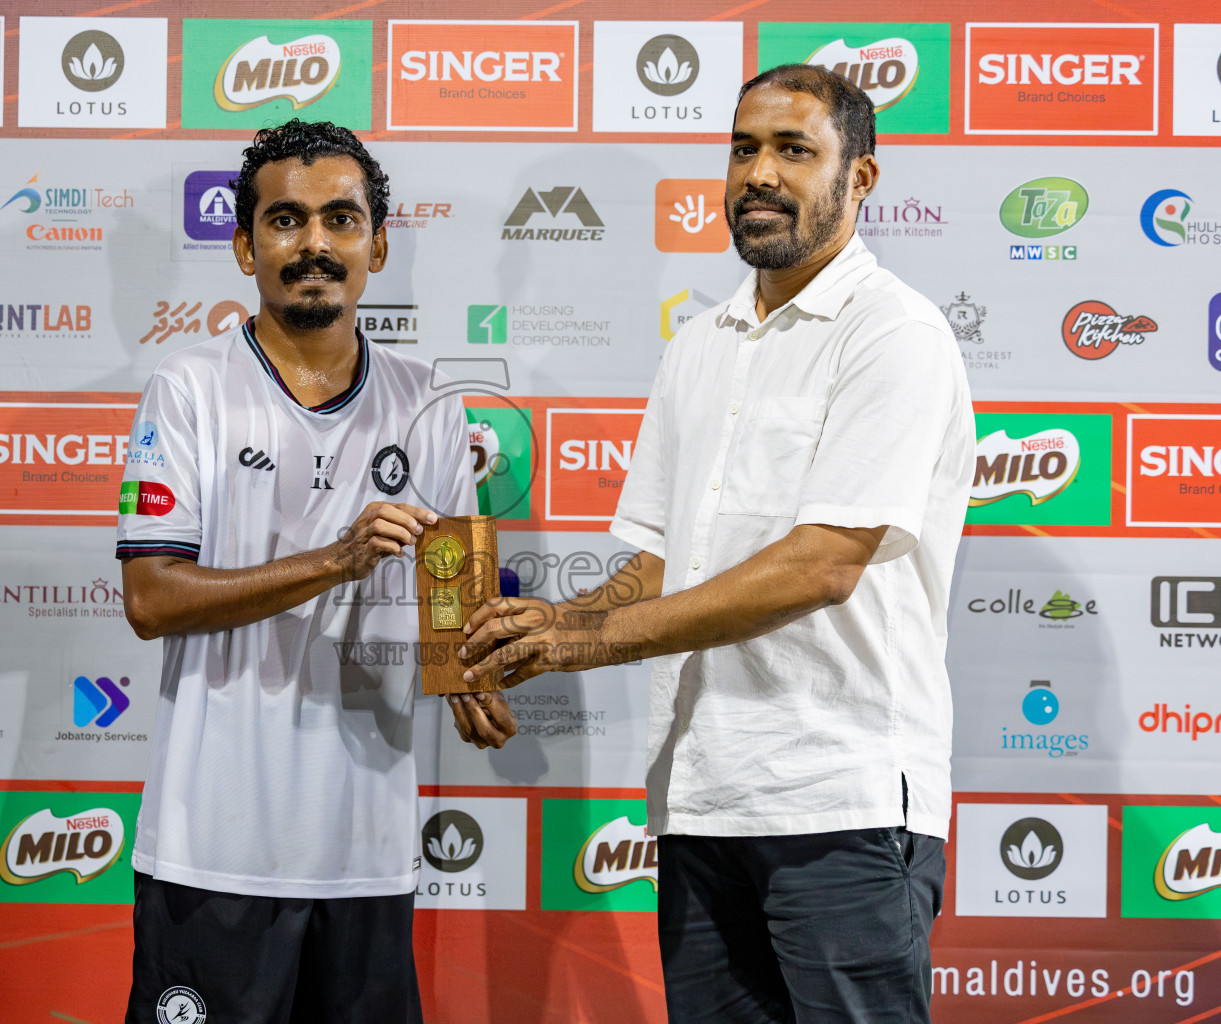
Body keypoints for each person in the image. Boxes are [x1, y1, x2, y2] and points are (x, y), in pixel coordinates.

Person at [454, 65, 975, 1023]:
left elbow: (825, 562)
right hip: (698, 801)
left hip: (841, 806)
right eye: (743, 148)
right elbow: (658, 562)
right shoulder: (698, 343)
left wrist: (589, 642)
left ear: (861, 178)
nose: (759, 174)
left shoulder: (894, 334)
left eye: (794, 150)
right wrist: (546, 627)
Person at [117, 119, 515, 1024]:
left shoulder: (428, 404)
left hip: (366, 852)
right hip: (210, 849)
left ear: (378, 243)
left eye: (340, 220)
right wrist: (337, 559)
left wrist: (470, 676)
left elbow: (452, 604)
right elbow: (151, 598)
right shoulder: (189, 388)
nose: (313, 245)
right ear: (243, 244)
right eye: (286, 221)